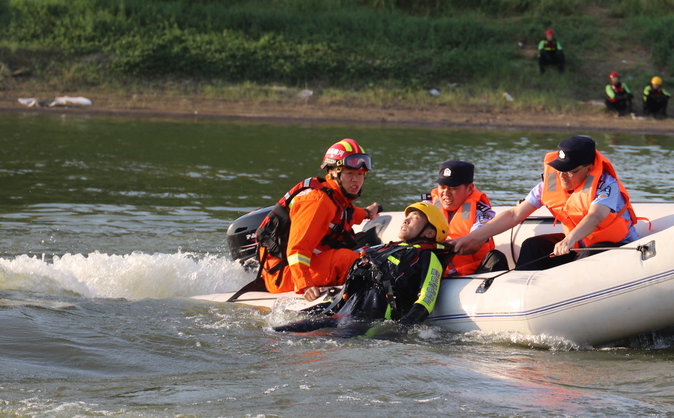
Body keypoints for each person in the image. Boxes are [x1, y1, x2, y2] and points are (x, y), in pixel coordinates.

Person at [449, 135, 638, 272]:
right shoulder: (552, 183)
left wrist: (569, 239)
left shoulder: (606, 185)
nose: (562, 176)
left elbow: (595, 216)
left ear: (589, 169)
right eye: (559, 170)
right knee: (533, 245)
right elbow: (515, 214)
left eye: (570, 171)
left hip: (616, 246)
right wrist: (472, 238)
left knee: (587, 256)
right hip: (577, 243)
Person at [272, 202, 450, 338]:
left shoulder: (428, 257)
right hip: (341, 315)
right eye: (407, 216)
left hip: (367, 322)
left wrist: (399, 329)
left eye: (416, 218)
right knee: (276, 332)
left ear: (429, 233)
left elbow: (426, 299)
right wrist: (306, 312)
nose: (406, 219)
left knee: (328, 345)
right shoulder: (384, 249)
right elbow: (345, 296)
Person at [255, 138, 379, 300]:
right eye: (350, 173)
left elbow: (346, 215)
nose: (356, 180)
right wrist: (305, 285)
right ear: (333, 172)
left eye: (360, 175)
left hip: (300, 267)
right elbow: (297, 249)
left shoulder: (335, 198)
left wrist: (367, 213)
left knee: (365, 250)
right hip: (284, 274)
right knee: (348, 260)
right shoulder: (317, 201)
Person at [429, 160, 505, 276]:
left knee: (496, 257)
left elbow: (474, 245)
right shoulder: (428, 206)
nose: (446, 193)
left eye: (453, 188)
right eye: (442, 187)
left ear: (470, 188)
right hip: (436, 272)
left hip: (472, 274)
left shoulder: (482, 213)